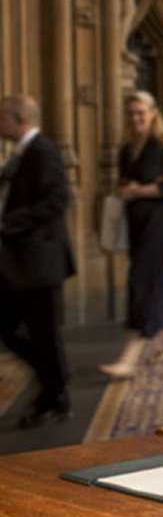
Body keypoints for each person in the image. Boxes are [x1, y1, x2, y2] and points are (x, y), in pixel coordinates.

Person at [99, 91, 163, 378]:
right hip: (136, 224)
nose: (136, 118)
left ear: (153, 113)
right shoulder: (127, 148)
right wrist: (124, 189)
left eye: (141, 112)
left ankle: (129, 357)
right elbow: (128, 180)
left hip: (160, 224)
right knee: (154, 284)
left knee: (141, 285)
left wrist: (141, 191)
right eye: (131, 113)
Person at [0, 94, 75, 428]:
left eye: (1, 116)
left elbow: (58, 200)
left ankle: (55, 393)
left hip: (39, 261)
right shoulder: (22, 153)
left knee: (44, 333)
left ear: (18, 119)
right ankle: (55, 382)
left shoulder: (43, 151)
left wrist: (7, 223)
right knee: (10, 328)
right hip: (20, 263)